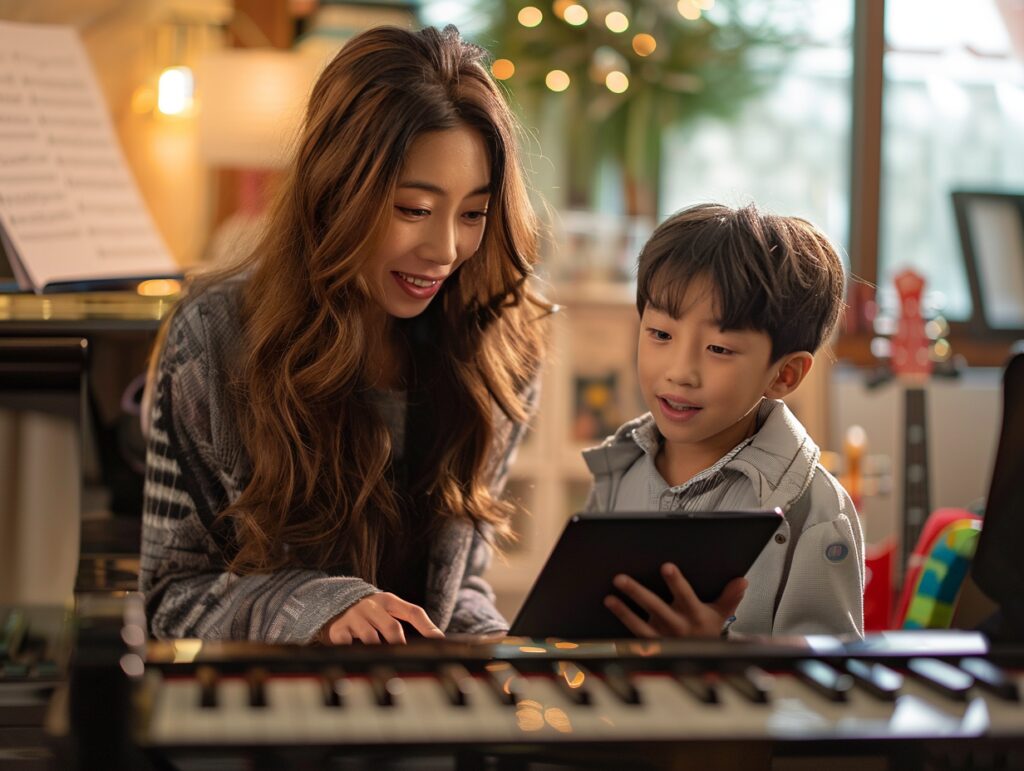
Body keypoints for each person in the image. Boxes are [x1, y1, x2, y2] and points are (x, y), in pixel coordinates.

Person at [139, 25, 550, 645]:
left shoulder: (499, 347)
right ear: (335, 190)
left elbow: (456, 587)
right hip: (268, 720)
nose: (445, 250)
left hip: (419, 721)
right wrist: (315, 610)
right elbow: (170, 601)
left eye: (473, 214)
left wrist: (496, 651)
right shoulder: (213, 341)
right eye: (413, 208)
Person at [583, 203, 864, 639]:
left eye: (719, 349)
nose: (680, 371)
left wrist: (716, 651)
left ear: (783, 374)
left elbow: (827, 683)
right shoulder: (618, 469)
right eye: (660, 334)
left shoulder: (815, 512)